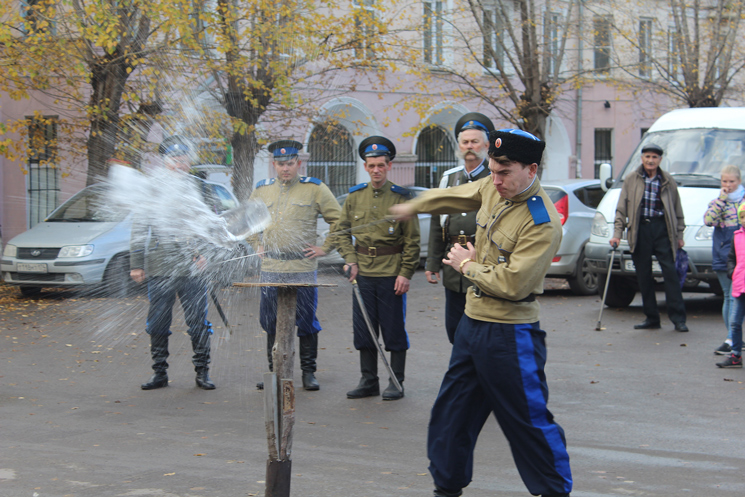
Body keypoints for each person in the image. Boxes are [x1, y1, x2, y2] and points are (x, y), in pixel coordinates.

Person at [390, 129, 571, 497]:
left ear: (531, 168)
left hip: (510, 334)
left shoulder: (542, 220)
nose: (496, 179)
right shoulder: (493, 186)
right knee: (450, 415)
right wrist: (415, 205)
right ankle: (447, 487)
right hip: (472, 326)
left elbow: (515, 284)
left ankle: (554, 492)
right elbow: (457, 196)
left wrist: (467, 265)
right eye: (493, 170)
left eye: (505, 172)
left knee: (528, 422)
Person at [330, 136, 420, 401]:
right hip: (363, 273)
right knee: (365, 328)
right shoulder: (355, 197)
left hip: (391, 272)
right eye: (371, 166)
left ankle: (396, 381)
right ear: (366, 167)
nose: (376, 170)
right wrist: (350, 259)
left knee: (393, 329)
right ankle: (369, 380)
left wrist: (405, 273)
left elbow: (412, 240)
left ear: (389, 165)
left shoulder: (401, 197)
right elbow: (341, 232)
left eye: (381, 165)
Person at [247, 139, 341, 391]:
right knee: (269, 321)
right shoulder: (262, 190)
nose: (285, 168)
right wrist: (256, 242)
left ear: (298, 163)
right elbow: (248, 221)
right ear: (273, 164)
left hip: (302, 268)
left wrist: (326, 247)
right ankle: (274, 372)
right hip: (271, 268)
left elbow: (339, 220)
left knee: (307, 320)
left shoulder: (315, 189)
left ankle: (308, 372)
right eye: (280, 164)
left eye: (289, 163)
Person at [130, 136, 216, 390]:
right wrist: (137, 263)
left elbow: (211, 224)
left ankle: (202, 372)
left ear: (189, 161)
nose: (179, 164)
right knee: (157, 322)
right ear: (165, 162)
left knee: (198, 322)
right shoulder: (152, 188)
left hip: (192, 267)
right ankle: (160, 373)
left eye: (183, 159)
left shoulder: (199, 187)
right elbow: (139, 227)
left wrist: (206, 253)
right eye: (174, 159)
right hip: (160, 266)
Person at [426, 112, 494, 344]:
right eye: (465, 142)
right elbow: (438, 223)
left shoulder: (495, 178)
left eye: (475, 142)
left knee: (480, 327)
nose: (469, 147)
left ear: (486, 145)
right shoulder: (449, 179)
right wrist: (433, 263)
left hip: (483, 263)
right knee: (454, 329)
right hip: (453, 265)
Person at [609, 143, 688, 332]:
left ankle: (678, 319)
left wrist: (679, 235)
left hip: (662, 230)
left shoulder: (667, 180)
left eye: (654, 157)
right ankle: (651, 318)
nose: (650, 160)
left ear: (660, 160)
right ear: (642, 159)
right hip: (640, 229)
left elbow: (678, 210)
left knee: (670, 274)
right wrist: (617, 234)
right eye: (647, 157)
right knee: (643, 276)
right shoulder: (631, 179)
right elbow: (621, 209)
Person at [704, 164, 744, 354]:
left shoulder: (743, 202)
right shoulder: (717, 202)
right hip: (724, 255)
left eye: (731, 181)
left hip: (741, 257)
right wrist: (721, 200)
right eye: (724, 181)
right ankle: (731, 338)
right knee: (729, 296)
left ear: (739, 181)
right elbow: (709, 220)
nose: (727, 185)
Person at [717, 202, 745, 369]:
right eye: (742, 217)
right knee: (735, 322)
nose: (744, 220)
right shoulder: (737, 235)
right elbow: (731, 258)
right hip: (739, 285)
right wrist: (732, 272)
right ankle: (736, 355)